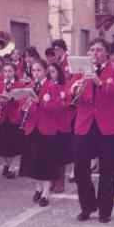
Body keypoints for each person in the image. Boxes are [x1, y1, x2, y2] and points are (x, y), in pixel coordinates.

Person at [71, 38, 114, 223]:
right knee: (80, 168)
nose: (95, 53)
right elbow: (72, 96)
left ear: (106, 53)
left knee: (108, 170)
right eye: (92, 50)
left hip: (107, 126)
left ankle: (105, 211)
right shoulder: (80, 71)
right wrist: (74, 90)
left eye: (99, 50)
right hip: (85, 123)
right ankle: (87, 206)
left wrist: (99, 82)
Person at [19, 59, 62, 207]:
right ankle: (37, 188)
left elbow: (57, 108)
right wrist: (24, 107)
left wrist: (40, 102)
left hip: (46, 128)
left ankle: (45, 192)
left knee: (46, 161)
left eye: (39, 70)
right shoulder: (29, 86)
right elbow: (23, 106)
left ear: (45, 71)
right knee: (32, 161)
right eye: (34, 70)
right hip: (31, 127)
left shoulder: (52, 86)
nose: (36, 73)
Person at [0, 62, 25, 179]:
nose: (7, 74)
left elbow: (22, 101)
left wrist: (11, 98)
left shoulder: (19, 85)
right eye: (5, 71)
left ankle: (11, 167)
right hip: (1, 117)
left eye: (10, 71)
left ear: (14, 72)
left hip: (13, 117)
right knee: (2, 144)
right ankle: (7, 164)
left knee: (12, 144)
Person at [47, 62, 72, 193]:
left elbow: (67, 103)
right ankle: (52, 180)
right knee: (50, 155)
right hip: (49, 125)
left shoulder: (65, 86)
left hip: (62, 125)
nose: (51, 75)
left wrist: (57, 102)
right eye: (50, 72)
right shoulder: (47, 85)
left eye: (54, 72)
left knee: (60, 157)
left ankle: (60, 182)